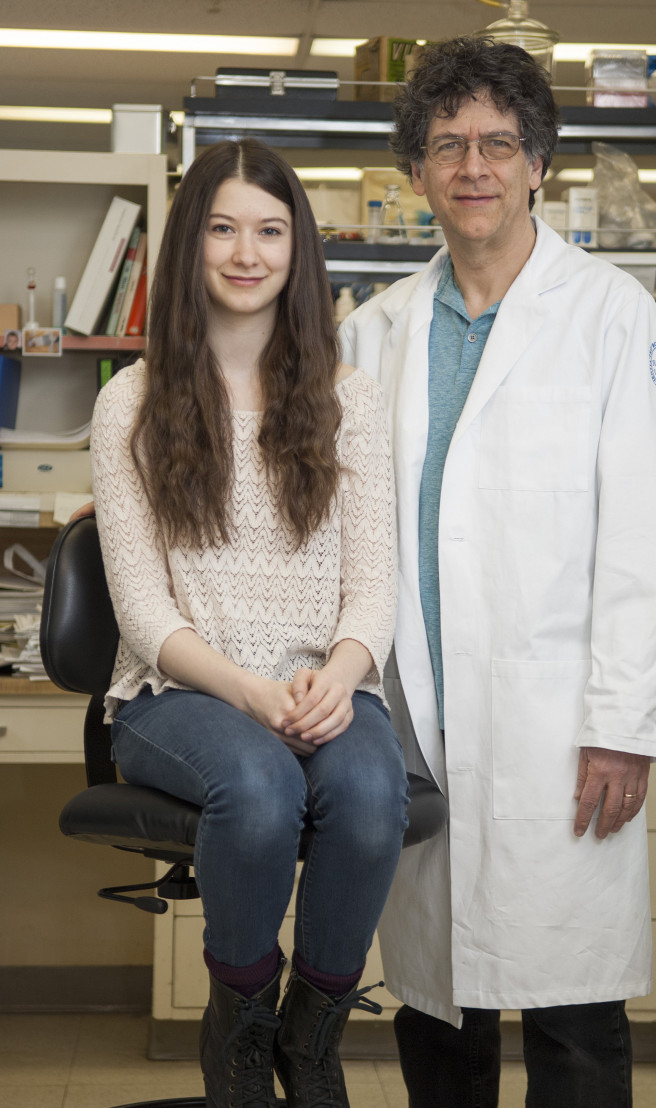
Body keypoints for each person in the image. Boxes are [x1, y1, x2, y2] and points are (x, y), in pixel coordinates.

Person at [339, 35, 656, 1108]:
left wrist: (622, 722)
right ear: (416, 173)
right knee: (436, 1013)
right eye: (448, 146)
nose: (473, 167)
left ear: (539, 161)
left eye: (498, 143)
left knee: (572, 1019)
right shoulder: (373, 332)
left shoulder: (608, 314)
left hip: (557, 730)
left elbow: (640, 532)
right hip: (418, 729)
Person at [90, 137, 408, 1108]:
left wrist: (344, 668)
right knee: (261, 787)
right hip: (178, 691)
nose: (245, 252)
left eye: (270, 230)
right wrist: (249, 691)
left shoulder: (347, 399)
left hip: (324, 684)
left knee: (367, 789)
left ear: (296, 250)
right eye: (222, 228)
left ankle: (312, 1037)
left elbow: (374, 586)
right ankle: (239, 1023)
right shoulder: (128, 404)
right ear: (190, 244)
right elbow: (144, 612)